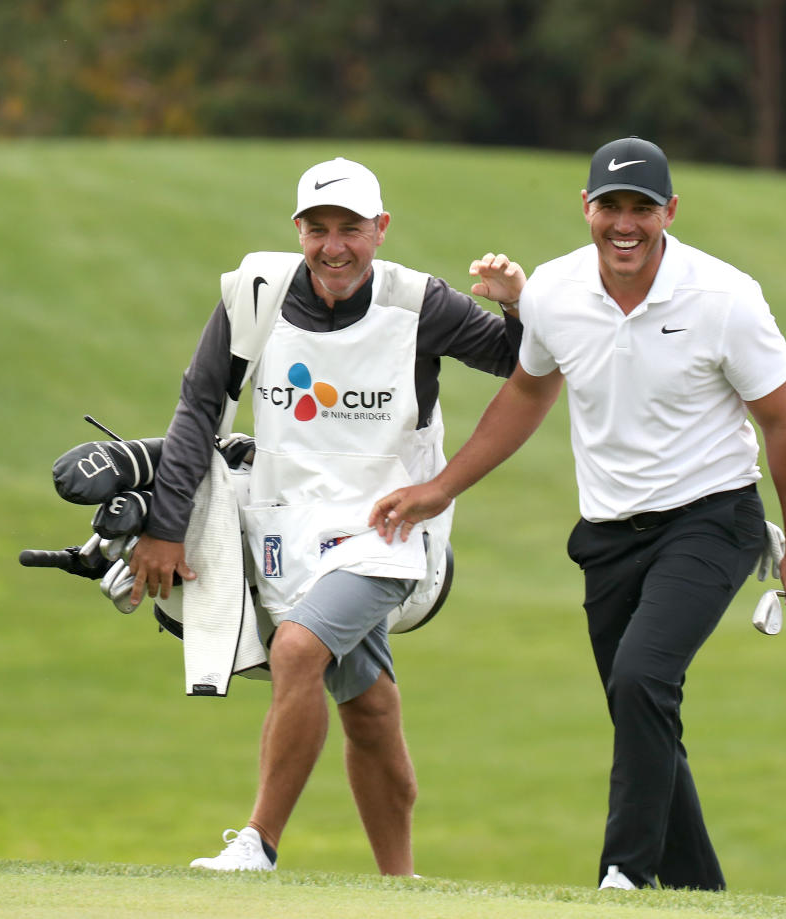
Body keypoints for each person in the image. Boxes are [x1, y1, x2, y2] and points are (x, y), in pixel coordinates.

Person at [371, 137, 786, 891]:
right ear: (586, 209)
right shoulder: (553, 292)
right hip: (610, 536)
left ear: (669, 212)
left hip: (712, 518)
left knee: (645, 678)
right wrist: (441, 488)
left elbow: (784, 421)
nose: (624, 224)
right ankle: (700, 897)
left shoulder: (724, 298)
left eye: (641, 209)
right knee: (638, 708)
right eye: (609, 207)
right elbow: (526, 393)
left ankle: (624, 875)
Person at [128, 156, 526, 874]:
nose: (333, 246)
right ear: (298, 229)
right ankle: (400, 884)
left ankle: (258, 841)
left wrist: (515, 305)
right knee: (369, 711)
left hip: (391, 530)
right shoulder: (254, 292)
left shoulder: (419, 301)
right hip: (289, 532)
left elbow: (518, 361)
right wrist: (164, 524)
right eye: (318, 229)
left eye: (351, 228)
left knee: (298, 651)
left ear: (381, 229)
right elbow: (199, 409)